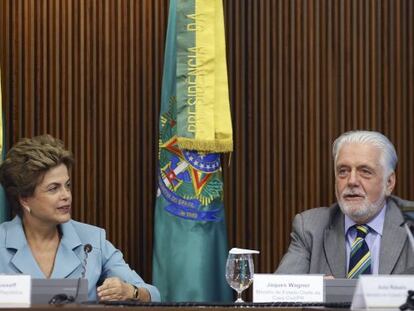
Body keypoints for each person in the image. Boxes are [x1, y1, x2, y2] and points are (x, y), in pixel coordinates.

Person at [0, 134, 161, 301]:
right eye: (53, 188)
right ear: (24, 199)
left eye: (67, 186)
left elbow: (153, 295)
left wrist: (130, 291)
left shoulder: (92, 241)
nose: (66, 195)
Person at [276, 130, 414, 277]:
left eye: (365, 171)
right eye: (343, 171)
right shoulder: (310, 228)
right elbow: (280, 292)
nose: (352, 181)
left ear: (389, 182)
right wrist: (317, 289)